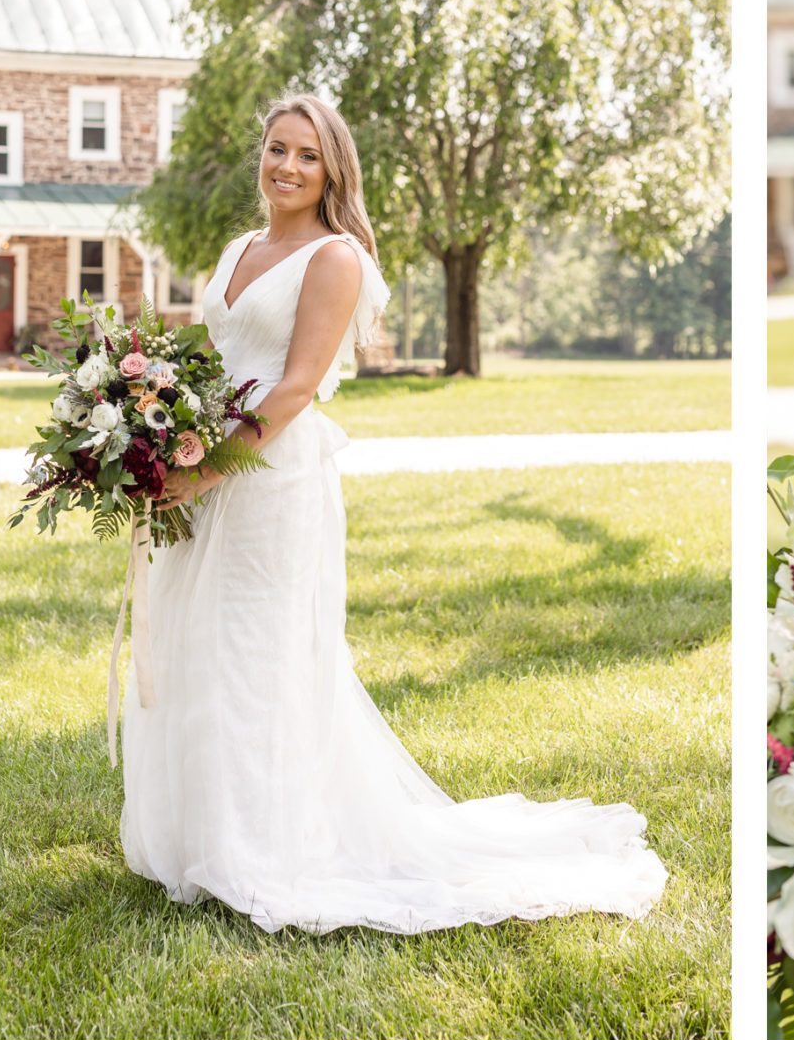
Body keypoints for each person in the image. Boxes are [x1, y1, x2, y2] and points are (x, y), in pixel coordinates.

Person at [119, 93, 667, 933]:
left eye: (307, 155)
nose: (287, 167)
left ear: (333, 169)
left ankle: (262, 849)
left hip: (268, 478)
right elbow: (207, 360)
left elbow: (294, 387)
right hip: (202, 465)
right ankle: (200, 837)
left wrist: (208, 471)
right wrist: (151, 429)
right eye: (276, 148)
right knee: (198, 640)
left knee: (260, 656)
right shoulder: (239, 247)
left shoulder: (335, 259)